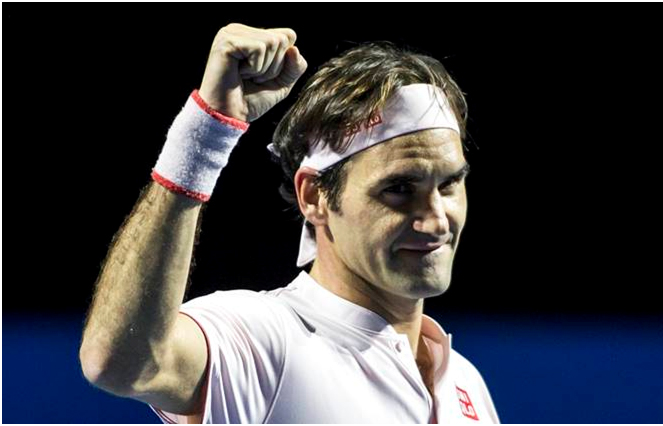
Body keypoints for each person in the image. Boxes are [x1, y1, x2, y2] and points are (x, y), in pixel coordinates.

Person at [79, 23, 500, 424]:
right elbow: (121, 364)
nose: (436, 221)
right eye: (399, 189)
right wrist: (204, 135)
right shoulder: (266, 339)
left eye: (449, 184)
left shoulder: (466, 385)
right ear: (314, 196)